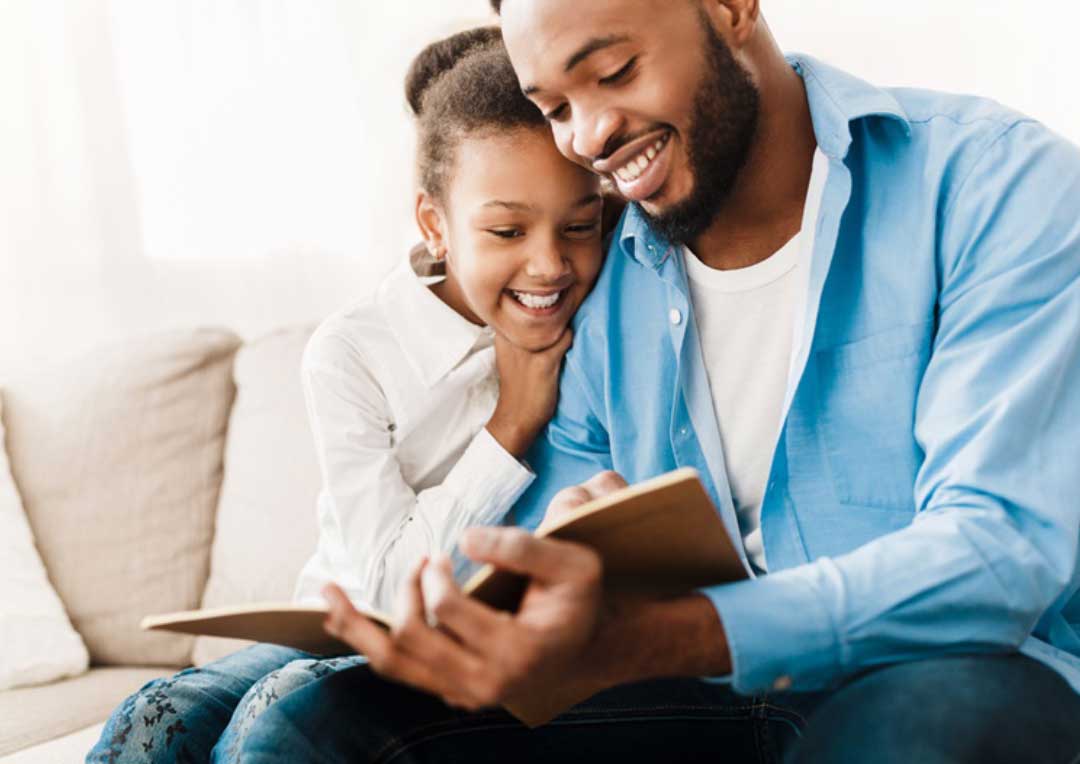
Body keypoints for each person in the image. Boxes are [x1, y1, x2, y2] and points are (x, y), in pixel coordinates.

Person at [239, 1, 1080, 762]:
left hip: (958, 674)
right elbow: (559, 523)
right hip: (700, 699)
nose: (588, 138)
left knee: (911, 732)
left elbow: (999, 555)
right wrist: (562, 559)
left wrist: (665, 637)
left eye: (613, 73)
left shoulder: (989, 186)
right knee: (312, 721)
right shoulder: (608, 277)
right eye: (555, 108)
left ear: (731, 7)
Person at [86, 26, 607, 763]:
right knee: (163, 710)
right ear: (436, 224)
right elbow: (391, 588)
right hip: (345, 616)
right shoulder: (352, 351)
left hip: (461, 643)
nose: (549, 263)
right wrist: (511, 422)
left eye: (581, 225)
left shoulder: (607, 308)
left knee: (285, 713)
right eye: (504, 230)